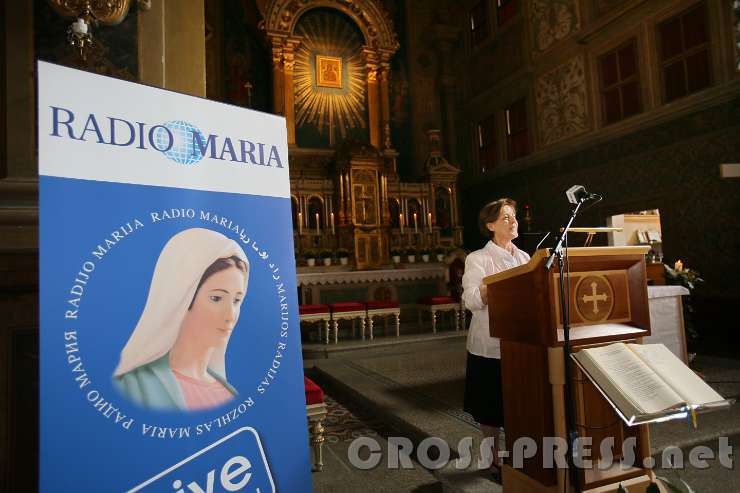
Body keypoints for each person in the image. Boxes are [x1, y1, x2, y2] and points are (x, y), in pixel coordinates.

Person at [113, 228, 249, 412]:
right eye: (216, 298)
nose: (231, 315)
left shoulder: (229, 393)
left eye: (236, 300)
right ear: (182, 298)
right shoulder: (133, 387)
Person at [461, 198, 530, 482]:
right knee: (490, 408)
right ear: (490, 226)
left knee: (519, 404)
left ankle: (518, 459)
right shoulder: (478, 259)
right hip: (489, 345)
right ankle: (491, 461)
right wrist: (494, 288)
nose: (513, 221)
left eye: (513, 217)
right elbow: (471, 300)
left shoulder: (525, 258)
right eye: (505, 218)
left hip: (522, 344)